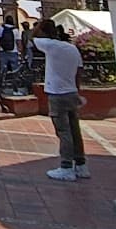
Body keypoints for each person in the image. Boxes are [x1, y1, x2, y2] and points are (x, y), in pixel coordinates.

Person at [33, 19, 88, 180]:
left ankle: (66, 166)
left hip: (57, 93)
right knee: (75, 130)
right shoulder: (72, 49)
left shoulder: (50, 46)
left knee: (63, 131)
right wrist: (77, 90)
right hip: (71, 92)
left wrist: (40, 25)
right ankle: (81, 165)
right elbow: (79, 72)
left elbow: (32, 36)